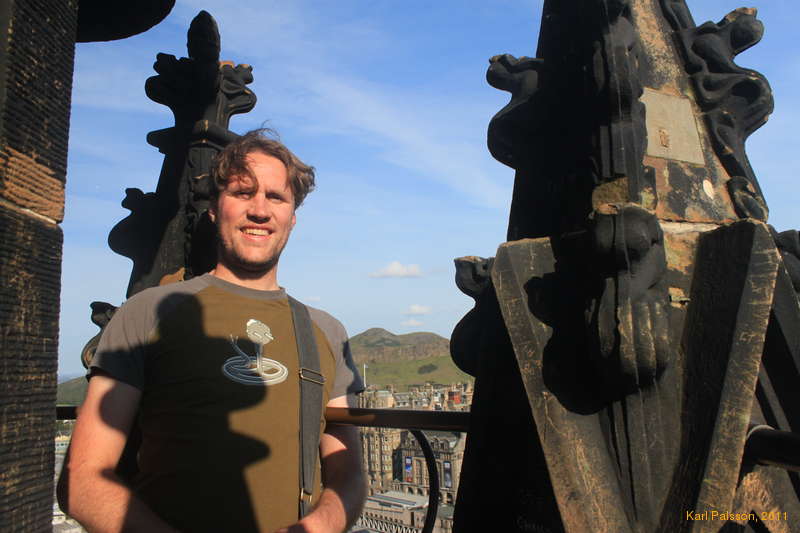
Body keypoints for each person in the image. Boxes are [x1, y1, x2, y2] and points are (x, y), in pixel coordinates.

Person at [57, 129, 366, 533]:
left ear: (292, 218)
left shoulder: (325, 330)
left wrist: (314, 529)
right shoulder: (147, 312)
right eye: (242, 193)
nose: (260, 210)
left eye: (276, 197)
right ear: (215, 209)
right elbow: (83, 482)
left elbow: (349, 476)